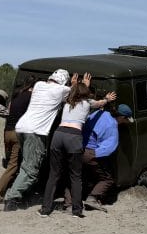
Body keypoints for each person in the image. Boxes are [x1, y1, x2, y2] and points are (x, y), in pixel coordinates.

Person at [39, 78, 117, 218]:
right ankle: (76, 210)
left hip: (58, 135)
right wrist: (107, 98)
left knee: (54, 175)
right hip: (74, 137)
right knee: (75, 176)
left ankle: (45, 209)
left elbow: (73, 92)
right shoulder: (87, 103)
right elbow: (100, 103)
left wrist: (74, 84)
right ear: (85, 92)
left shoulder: (66, 102)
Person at [2, 69, 73, 210]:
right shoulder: (62, 90)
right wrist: (77, 84)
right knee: (31, 169)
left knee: (26, 163)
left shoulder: (39, 85)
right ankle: (12, 197)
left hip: (21, 127)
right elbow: (75, 94)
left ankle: (23, 193)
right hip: (35, 131)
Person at [69, 101, 133, 209]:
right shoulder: (112, 127)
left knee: (78, 176)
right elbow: (107, 149)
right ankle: (92, 198)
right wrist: (93, 156)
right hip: (90, 152)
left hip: (78, 147)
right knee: (107, 179)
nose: (126, 122)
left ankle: (69, 202)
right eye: (126, 119)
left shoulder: (101, 113)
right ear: (122, 117)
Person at [0, 76, 36, 204]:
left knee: (12, 163)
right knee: (13, 166)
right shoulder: (31, 97)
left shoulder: (17, 96)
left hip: (7, 132)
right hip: (17, 133)